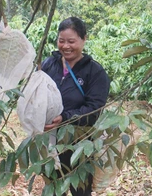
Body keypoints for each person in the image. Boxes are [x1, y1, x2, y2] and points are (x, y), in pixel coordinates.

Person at [42, 17, 110, 196]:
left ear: (83, 39)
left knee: (80, 190)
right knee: (53, 189)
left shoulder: (95, 72)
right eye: (61, 41)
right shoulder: (49, 64)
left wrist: (64, 117)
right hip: (48, 140)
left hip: (79, 143)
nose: (65, 46)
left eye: (71, 41)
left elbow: (94, 110)